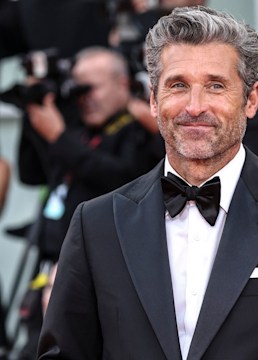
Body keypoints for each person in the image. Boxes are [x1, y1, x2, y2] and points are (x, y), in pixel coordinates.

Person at [38, 6, 258, 360]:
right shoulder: (96, 225)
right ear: (154, 100)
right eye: (178, 86)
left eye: (216, 86)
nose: (195, 106)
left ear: (251, 99)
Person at [21, 46, 163, 262]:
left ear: (122, 84)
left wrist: (59, 138)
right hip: (53, 259)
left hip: (103, 261)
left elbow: (123, 178)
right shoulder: (78, 127)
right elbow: (30, 174)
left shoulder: (140, 129)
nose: (84, 98)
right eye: (78, 90)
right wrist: (33, 111)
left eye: (91, 89)